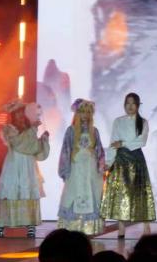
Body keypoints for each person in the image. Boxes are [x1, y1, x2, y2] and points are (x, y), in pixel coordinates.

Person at [100, 92, 157, 238]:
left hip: (136, 159)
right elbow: (113, 143)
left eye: (133, 103)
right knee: (121, 193)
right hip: (120, 161)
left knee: (140, 192)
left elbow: (141, 141)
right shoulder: (118, 121)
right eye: (127, 103)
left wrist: (123, 143)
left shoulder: (143, 122)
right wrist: (108, 162)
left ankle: (146, 226)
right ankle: (121, 227)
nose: (130, 106)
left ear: (137, 105)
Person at [0, 100, 49, 239]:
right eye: (17, 114)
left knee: (28, 192)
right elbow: (20, 144)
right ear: (13, 115)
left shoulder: (29, 130)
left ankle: (30, 226)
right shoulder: (8, 129)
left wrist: (43, 140)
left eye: (22, 113)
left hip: (28, 166)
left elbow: (34, 149)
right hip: (14, 166)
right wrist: (33, 129)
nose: (20, 116)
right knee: (11, 192)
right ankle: (1, 225)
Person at [58, 99, 106, 235]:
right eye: (82, 112)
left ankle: (88, 228)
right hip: (76, 168)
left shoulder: (94, 131)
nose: (85, 115)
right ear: (77, 113)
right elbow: (65, 150)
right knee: (73, 193)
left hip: (91, 169)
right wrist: (64, 170)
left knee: (91, 193)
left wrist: (101, 166)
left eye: (88, 112)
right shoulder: (71, 131)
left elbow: (100, 151)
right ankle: (73, 227)